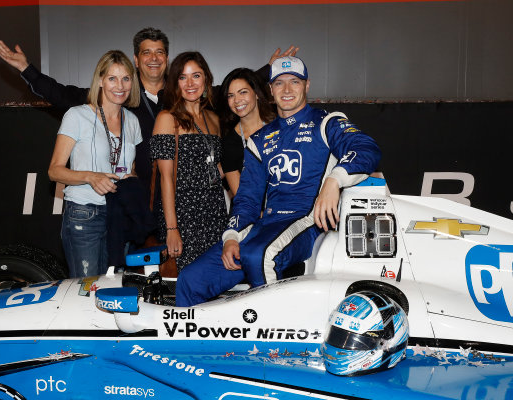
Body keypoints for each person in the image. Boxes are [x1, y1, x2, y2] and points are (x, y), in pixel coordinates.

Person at [175, 56, 382, 307]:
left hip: (308, 222)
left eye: (294, 82)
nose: (287, 89)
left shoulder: (326, 122)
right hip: (266, 226)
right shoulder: (260, 140)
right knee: (190, 279)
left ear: (306, 86)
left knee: (258, 255)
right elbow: (247, 198)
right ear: (270, 90)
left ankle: (271, 344)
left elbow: (366, 148)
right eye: (279, 83)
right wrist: (231, 236)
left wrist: (333, 181)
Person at [0, 31, 298, 197]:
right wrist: (27, 70)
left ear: (166, 59)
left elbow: (232, 91)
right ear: (137, 60)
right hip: (138, 194)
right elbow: (63, 94)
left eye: (160, 52)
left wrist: (270, 71)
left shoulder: (186, 93)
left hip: (185, 194)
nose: (154, 58)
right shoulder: (120, 93)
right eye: (146, 53)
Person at [48, 50, 142, 277]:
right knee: (86, 292)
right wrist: (91, 176)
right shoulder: (77, 115)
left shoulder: (132, 121)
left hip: (119, 216)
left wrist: (131, 179)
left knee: (114, 291)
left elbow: (130, 169)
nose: (120, 85)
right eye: (112, 78)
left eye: (126, 78)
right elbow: (54, 171)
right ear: (100, 80)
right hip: (84, 215)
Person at [150, 51, 227, 271]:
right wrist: (172, 229)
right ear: (175, 83)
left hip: (215, 214)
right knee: (187, 286)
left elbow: (214, 169)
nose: (190, 83)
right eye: (183, 77)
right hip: (184, 218)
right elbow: (166, 178)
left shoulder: (213, 119)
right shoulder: (167, 119)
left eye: (196, 75)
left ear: (206, 79)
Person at [218, 68, 276, 197]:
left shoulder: (279, 127)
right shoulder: (229, 143)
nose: (237, 100)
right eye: (231, 95)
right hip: (251, 212)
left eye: (243, 92)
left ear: (256, 93)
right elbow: (241, 196)